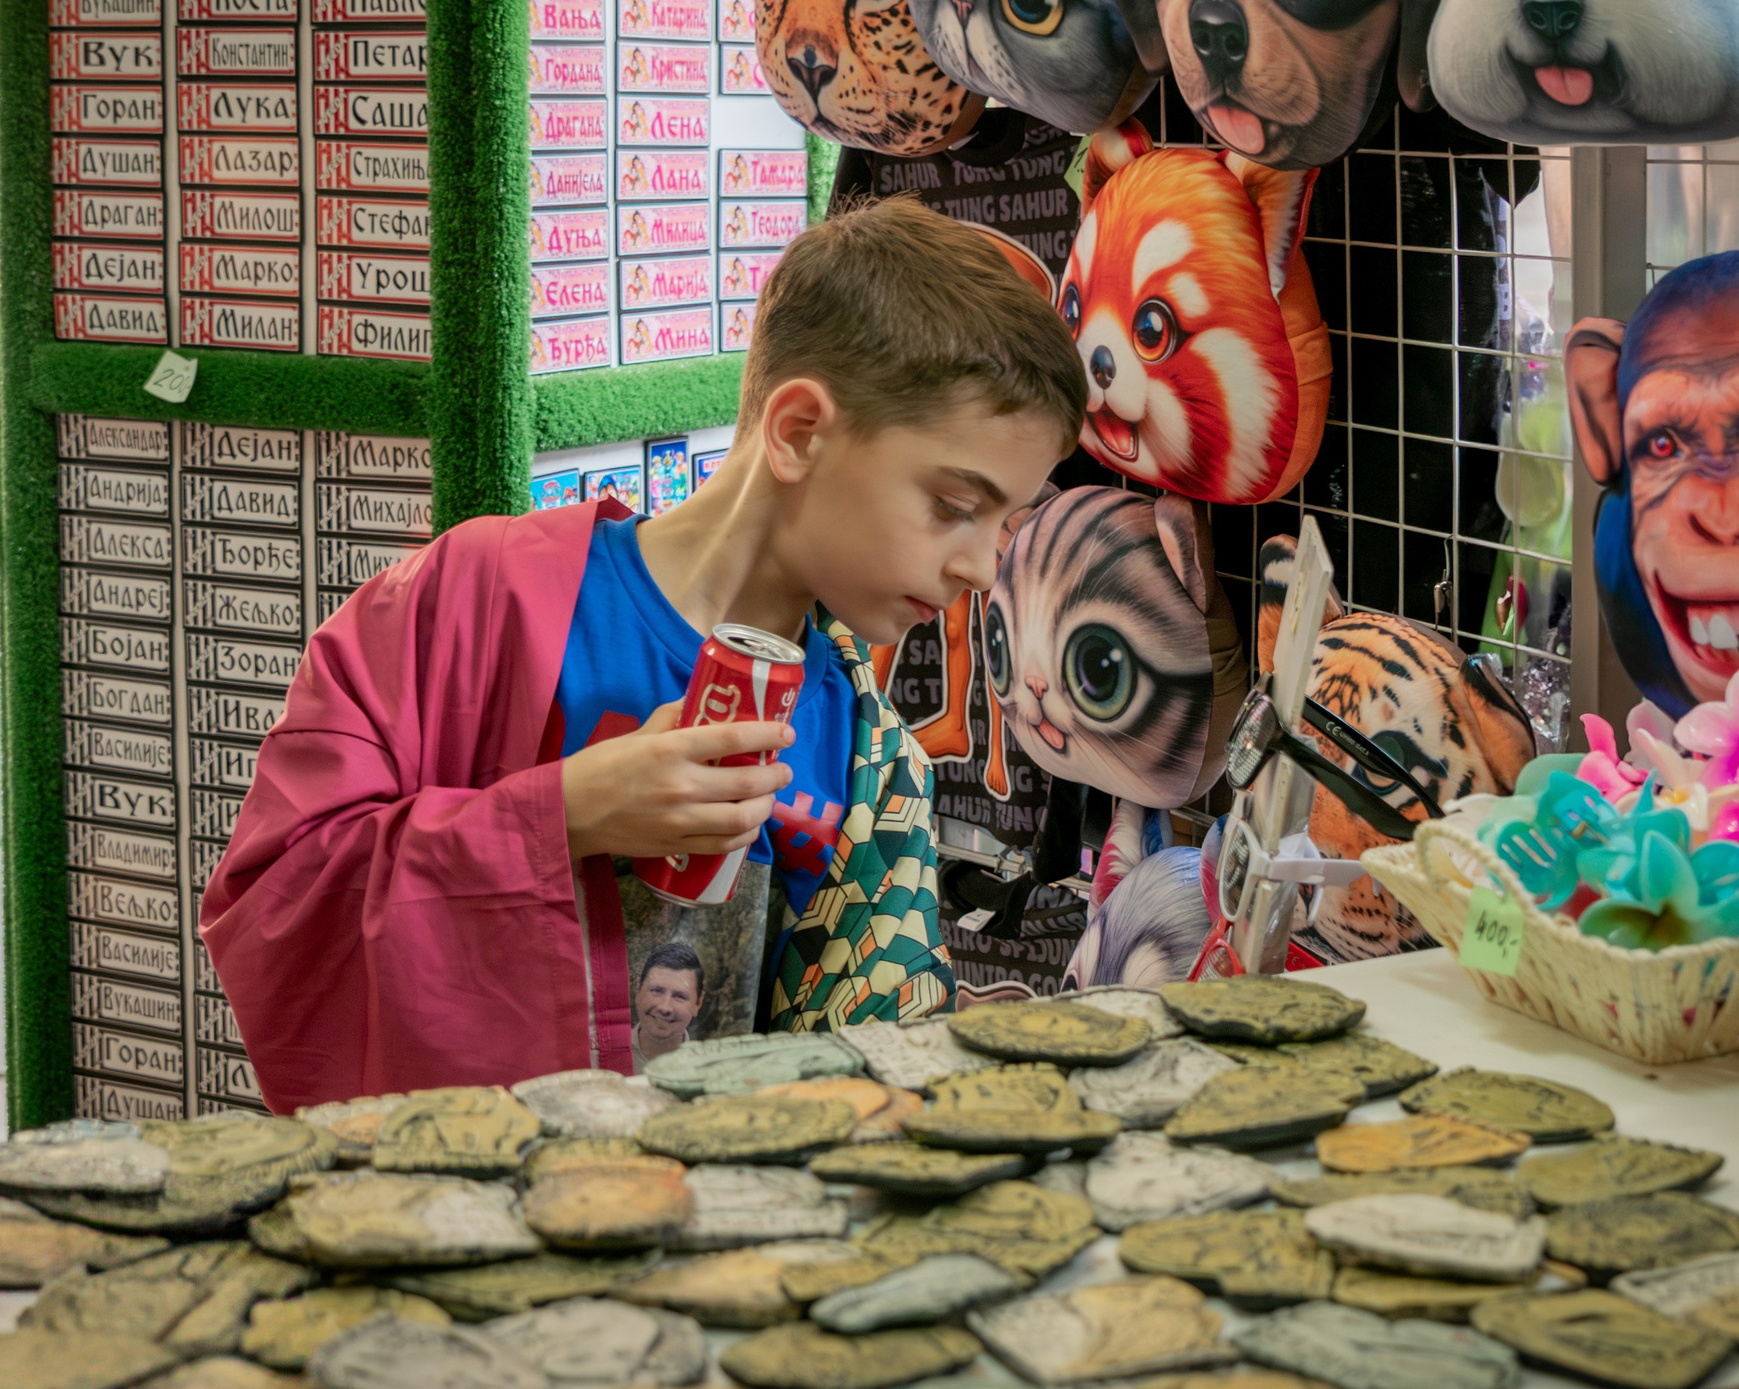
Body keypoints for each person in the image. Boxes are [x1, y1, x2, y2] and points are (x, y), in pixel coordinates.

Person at [200, 196, 1086, 1113]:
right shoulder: (475, 597)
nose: (981, 568)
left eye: (1007, 523)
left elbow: (867, 1093)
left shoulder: (873, 762)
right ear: (799, 432)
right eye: (954, 503)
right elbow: (274, 906)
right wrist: (565, 815)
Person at [633, 942, 705, 1070]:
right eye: (657, 991)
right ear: (638, 990)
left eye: (679, 996)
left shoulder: (707, 1069)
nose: (665, 1007)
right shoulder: (601, 1058)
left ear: (698, 1003)